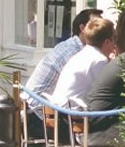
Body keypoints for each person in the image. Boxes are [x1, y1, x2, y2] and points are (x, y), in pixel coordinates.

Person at [23, 8, 102, 137]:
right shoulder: (76, 53)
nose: (101, 31)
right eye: (96, 26)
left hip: (36, 113)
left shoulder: (71, 46)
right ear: (83, 28)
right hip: (40, 119)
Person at [51, 18, 116, 110]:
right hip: (72, 116)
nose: (115, 44)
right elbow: (106, 93)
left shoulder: (83, 54)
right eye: (114, 39)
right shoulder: (99, 60)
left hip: (59, 110)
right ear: (107, 42)